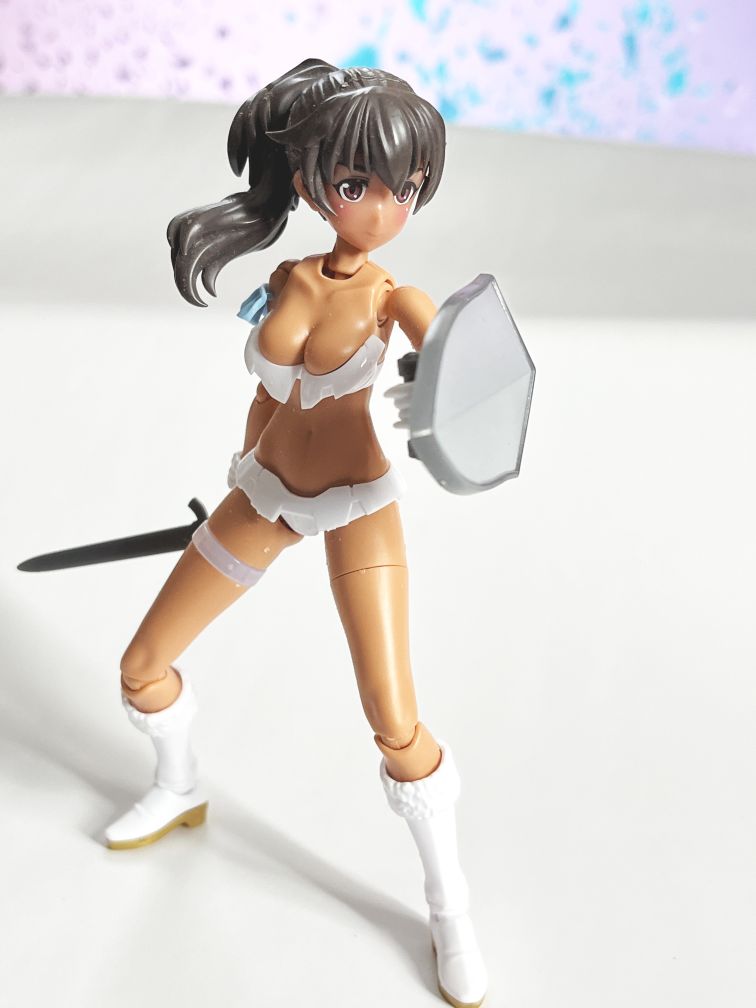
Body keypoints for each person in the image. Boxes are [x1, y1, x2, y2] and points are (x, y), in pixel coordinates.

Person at [105, 58, 488, 1008]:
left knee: (392, 716)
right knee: (143, 667)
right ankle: (181, 785)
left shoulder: (397, 299)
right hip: (265, 491)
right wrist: (241, 473)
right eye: (359, 185)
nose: (385, 210)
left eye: (407, 188)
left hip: (357, 500)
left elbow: (463, 368)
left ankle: (450, 906)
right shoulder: (285, 279)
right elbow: (266, 396)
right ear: (314, 185)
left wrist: (441, 388)